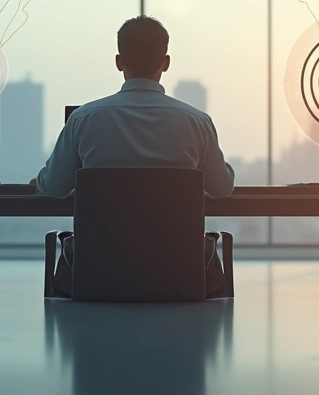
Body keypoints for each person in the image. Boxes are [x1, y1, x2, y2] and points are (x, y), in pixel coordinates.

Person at [31, 15, 235, 297]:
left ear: (119, 61)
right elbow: (222, 189)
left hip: (97, 273)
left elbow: (53, 188)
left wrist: (40, 180)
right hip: (180, 274)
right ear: (165, 63)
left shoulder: (83, 119)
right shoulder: (196, 122)